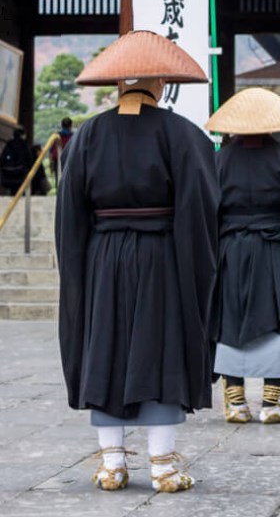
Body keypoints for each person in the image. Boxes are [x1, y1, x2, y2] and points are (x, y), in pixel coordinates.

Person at [56, 31, 219, 493]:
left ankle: (112, 466)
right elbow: (203, 207)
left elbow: (70, 214)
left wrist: (79, 270)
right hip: (162, 256)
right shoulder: (182, 134)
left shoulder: (87, 134)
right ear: (161, 83)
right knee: (160, 348)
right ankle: (163, 466)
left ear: (119, 85)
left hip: (103, 257)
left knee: (105, 348)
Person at [206, 87, 280, 424]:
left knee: (229, 320)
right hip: (274, 251)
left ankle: (236, 400)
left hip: (229, 252)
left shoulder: (218, 161)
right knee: (278, 319)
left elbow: (208, 212)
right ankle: (271, 403)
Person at [0, 126, 31, 195]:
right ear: (22, 135)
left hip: (7, 175)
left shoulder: (9, 144)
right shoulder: (24, 145)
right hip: (20, 174)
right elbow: (29, 160)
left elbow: (2, 159)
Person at [51, 117, 74, 183]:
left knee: (58, 179)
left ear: (62, 125)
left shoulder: (56, 136)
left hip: (57, 160)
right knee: (69, 181)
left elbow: (52, 151)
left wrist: (51, 165)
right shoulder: (73, 136)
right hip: (69, 160)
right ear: (71, 125)